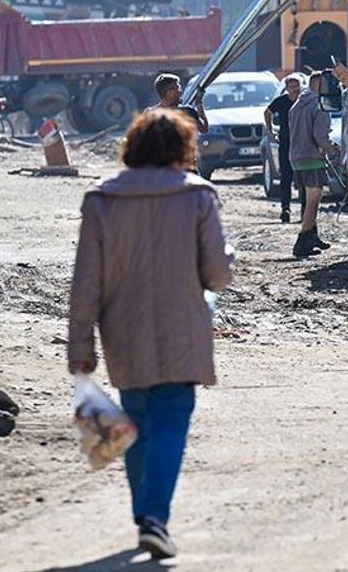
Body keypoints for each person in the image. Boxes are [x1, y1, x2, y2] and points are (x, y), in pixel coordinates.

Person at [67, 109, 234, 560]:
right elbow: (217, 275)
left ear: (132, 148)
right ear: (182, 150)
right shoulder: (199, 197)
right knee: (171, 420)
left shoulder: (102, 201)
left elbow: (86, 282)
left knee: (136, 419)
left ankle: (146, 516)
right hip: (182, 329)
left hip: (123, 333)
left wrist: (80, 347)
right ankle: (154, 518)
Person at [289, 71, 337, 257]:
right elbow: (320, 136)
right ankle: (302, 242)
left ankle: (312, 237)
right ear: (321, 84)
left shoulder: (297, 105)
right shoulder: (319, 105)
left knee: (308, 199)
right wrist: (333, 149)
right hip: (312, 159)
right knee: (313, 201)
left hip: (297, 158)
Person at [264, 73, 304, 223]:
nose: (295, 89)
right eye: (292, 87)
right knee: (286, 177)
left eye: (297, 86)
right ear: (287, 88)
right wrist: (270, 131)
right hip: (286, 143)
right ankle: (285, 209)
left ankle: (304, 211)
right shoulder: (281, 101)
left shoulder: (303, 101)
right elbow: (267, 112)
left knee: (301, 177)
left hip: (302, 143)